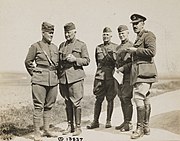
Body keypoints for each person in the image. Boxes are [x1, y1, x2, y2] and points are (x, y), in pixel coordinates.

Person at [25, 22, 59, 141]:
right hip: (39, 80)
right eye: (49, 33)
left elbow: (57, 64)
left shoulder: (55, 47)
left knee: (49, 106)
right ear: (43, 32)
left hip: (53, 80)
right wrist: (35, 75)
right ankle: (36, 133)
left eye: (52, 33)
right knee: (38, 106)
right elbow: (28, 62)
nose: (51, 35)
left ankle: (46, 129)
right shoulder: (36, 46)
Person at [127, 14, 158, 139]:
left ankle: (139, 129)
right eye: (133, 24)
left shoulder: (148, 35)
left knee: (139, 98)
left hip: (144, 72)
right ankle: (145, 127)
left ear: (143, 23)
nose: (135, 26)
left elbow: (152, 52)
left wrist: (135, 51)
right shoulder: (138, 38)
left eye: (137, 23)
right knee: (145, 99)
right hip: (139, 73)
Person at [58, 22, 90, 136]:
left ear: (75, 32)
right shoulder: (62, 45)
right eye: (65, 33)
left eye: (69, 32)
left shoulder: (81, 45)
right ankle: (69, 126)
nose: (67, 35)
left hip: (75, 77)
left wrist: (75, 59)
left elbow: (87, 60)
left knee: (76, 103)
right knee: (67, 102)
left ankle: (78, 127)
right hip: (63, 78)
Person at [87, 27, 117, 129]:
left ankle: (108, 121)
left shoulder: (115, 47)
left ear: (111, 36)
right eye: (104, 35)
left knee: (110, 99)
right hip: (100, 77)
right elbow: (97, 62)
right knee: (98, 99)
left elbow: (116, 63)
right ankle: (95, 121)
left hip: (110, 77)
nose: (105, 37)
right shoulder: (98, 48)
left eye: (107, 35)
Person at [115, 25, 133, 132]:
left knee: (126, 98)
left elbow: (133, 63)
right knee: (121, 98)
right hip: (119, 76)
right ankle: (125, 121)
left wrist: (123, 68)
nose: (121, 36)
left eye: (123, 33)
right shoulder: (118, 48)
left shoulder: (131, 46)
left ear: (128, 33)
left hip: (128, 76)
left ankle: (129, 123)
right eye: (120, 34)